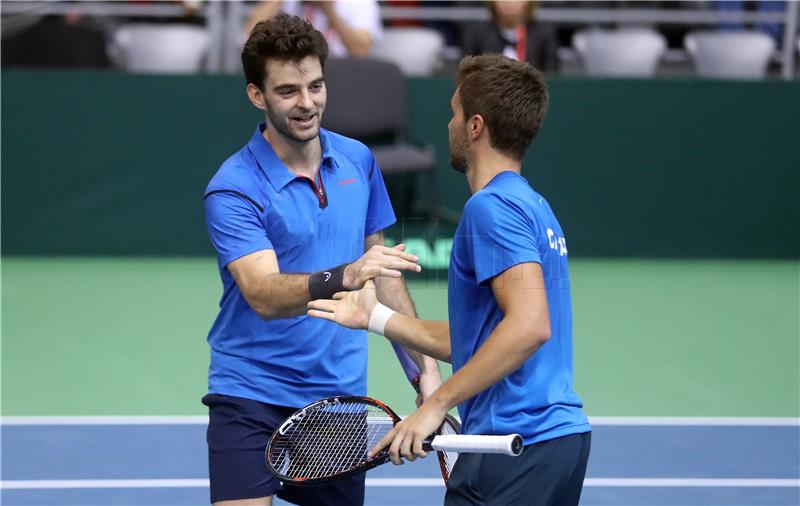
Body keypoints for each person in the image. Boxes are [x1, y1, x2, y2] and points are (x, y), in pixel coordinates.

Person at [308, 54, 591, 505]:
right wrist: (376, 317)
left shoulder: (491, 209)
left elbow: (530, 326)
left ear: (476, 126)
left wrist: (437, 405)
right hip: (555, 444)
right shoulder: (535, 207)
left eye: (454, 113)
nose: (449, 125)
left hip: (514, 445)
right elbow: (481, 341)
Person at [202, 13, 441, 506]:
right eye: (288, 91)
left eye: (315, 86)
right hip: (251, 392)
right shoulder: (233, 188)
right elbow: (264, 295)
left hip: (338, 398)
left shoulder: (359, 160)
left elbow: (381, 271)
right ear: (256, 95)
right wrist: (345, 275)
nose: (307, 103)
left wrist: (424, 372)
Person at [244, 0, 381, 57]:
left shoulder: (359, 2)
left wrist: (329, 11)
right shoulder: (288, 2)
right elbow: (250, 36)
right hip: (292, 65)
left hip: (339, 71)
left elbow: (361, 51)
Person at [460, 1, 559, 72]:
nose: (509, 3)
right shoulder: (475, 32)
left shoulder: (544, 33)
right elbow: (465, 74)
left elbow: (552, 76)